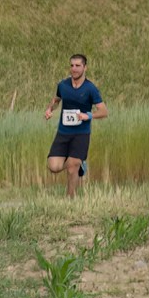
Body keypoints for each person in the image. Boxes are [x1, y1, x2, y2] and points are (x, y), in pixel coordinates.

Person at [44, 53, 106, 197]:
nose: (74, 69)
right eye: (72, 65)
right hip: (63, 132)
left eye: (78, 66)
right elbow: (56, 100)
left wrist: (88, 115)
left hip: (81, 133)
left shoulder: (90, 88)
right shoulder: (63, 85)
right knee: (53, 166)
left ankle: (70, 198)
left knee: (72, 167)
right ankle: (79, 164)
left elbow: (104, 111)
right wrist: (49, 109)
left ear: (85, 68)